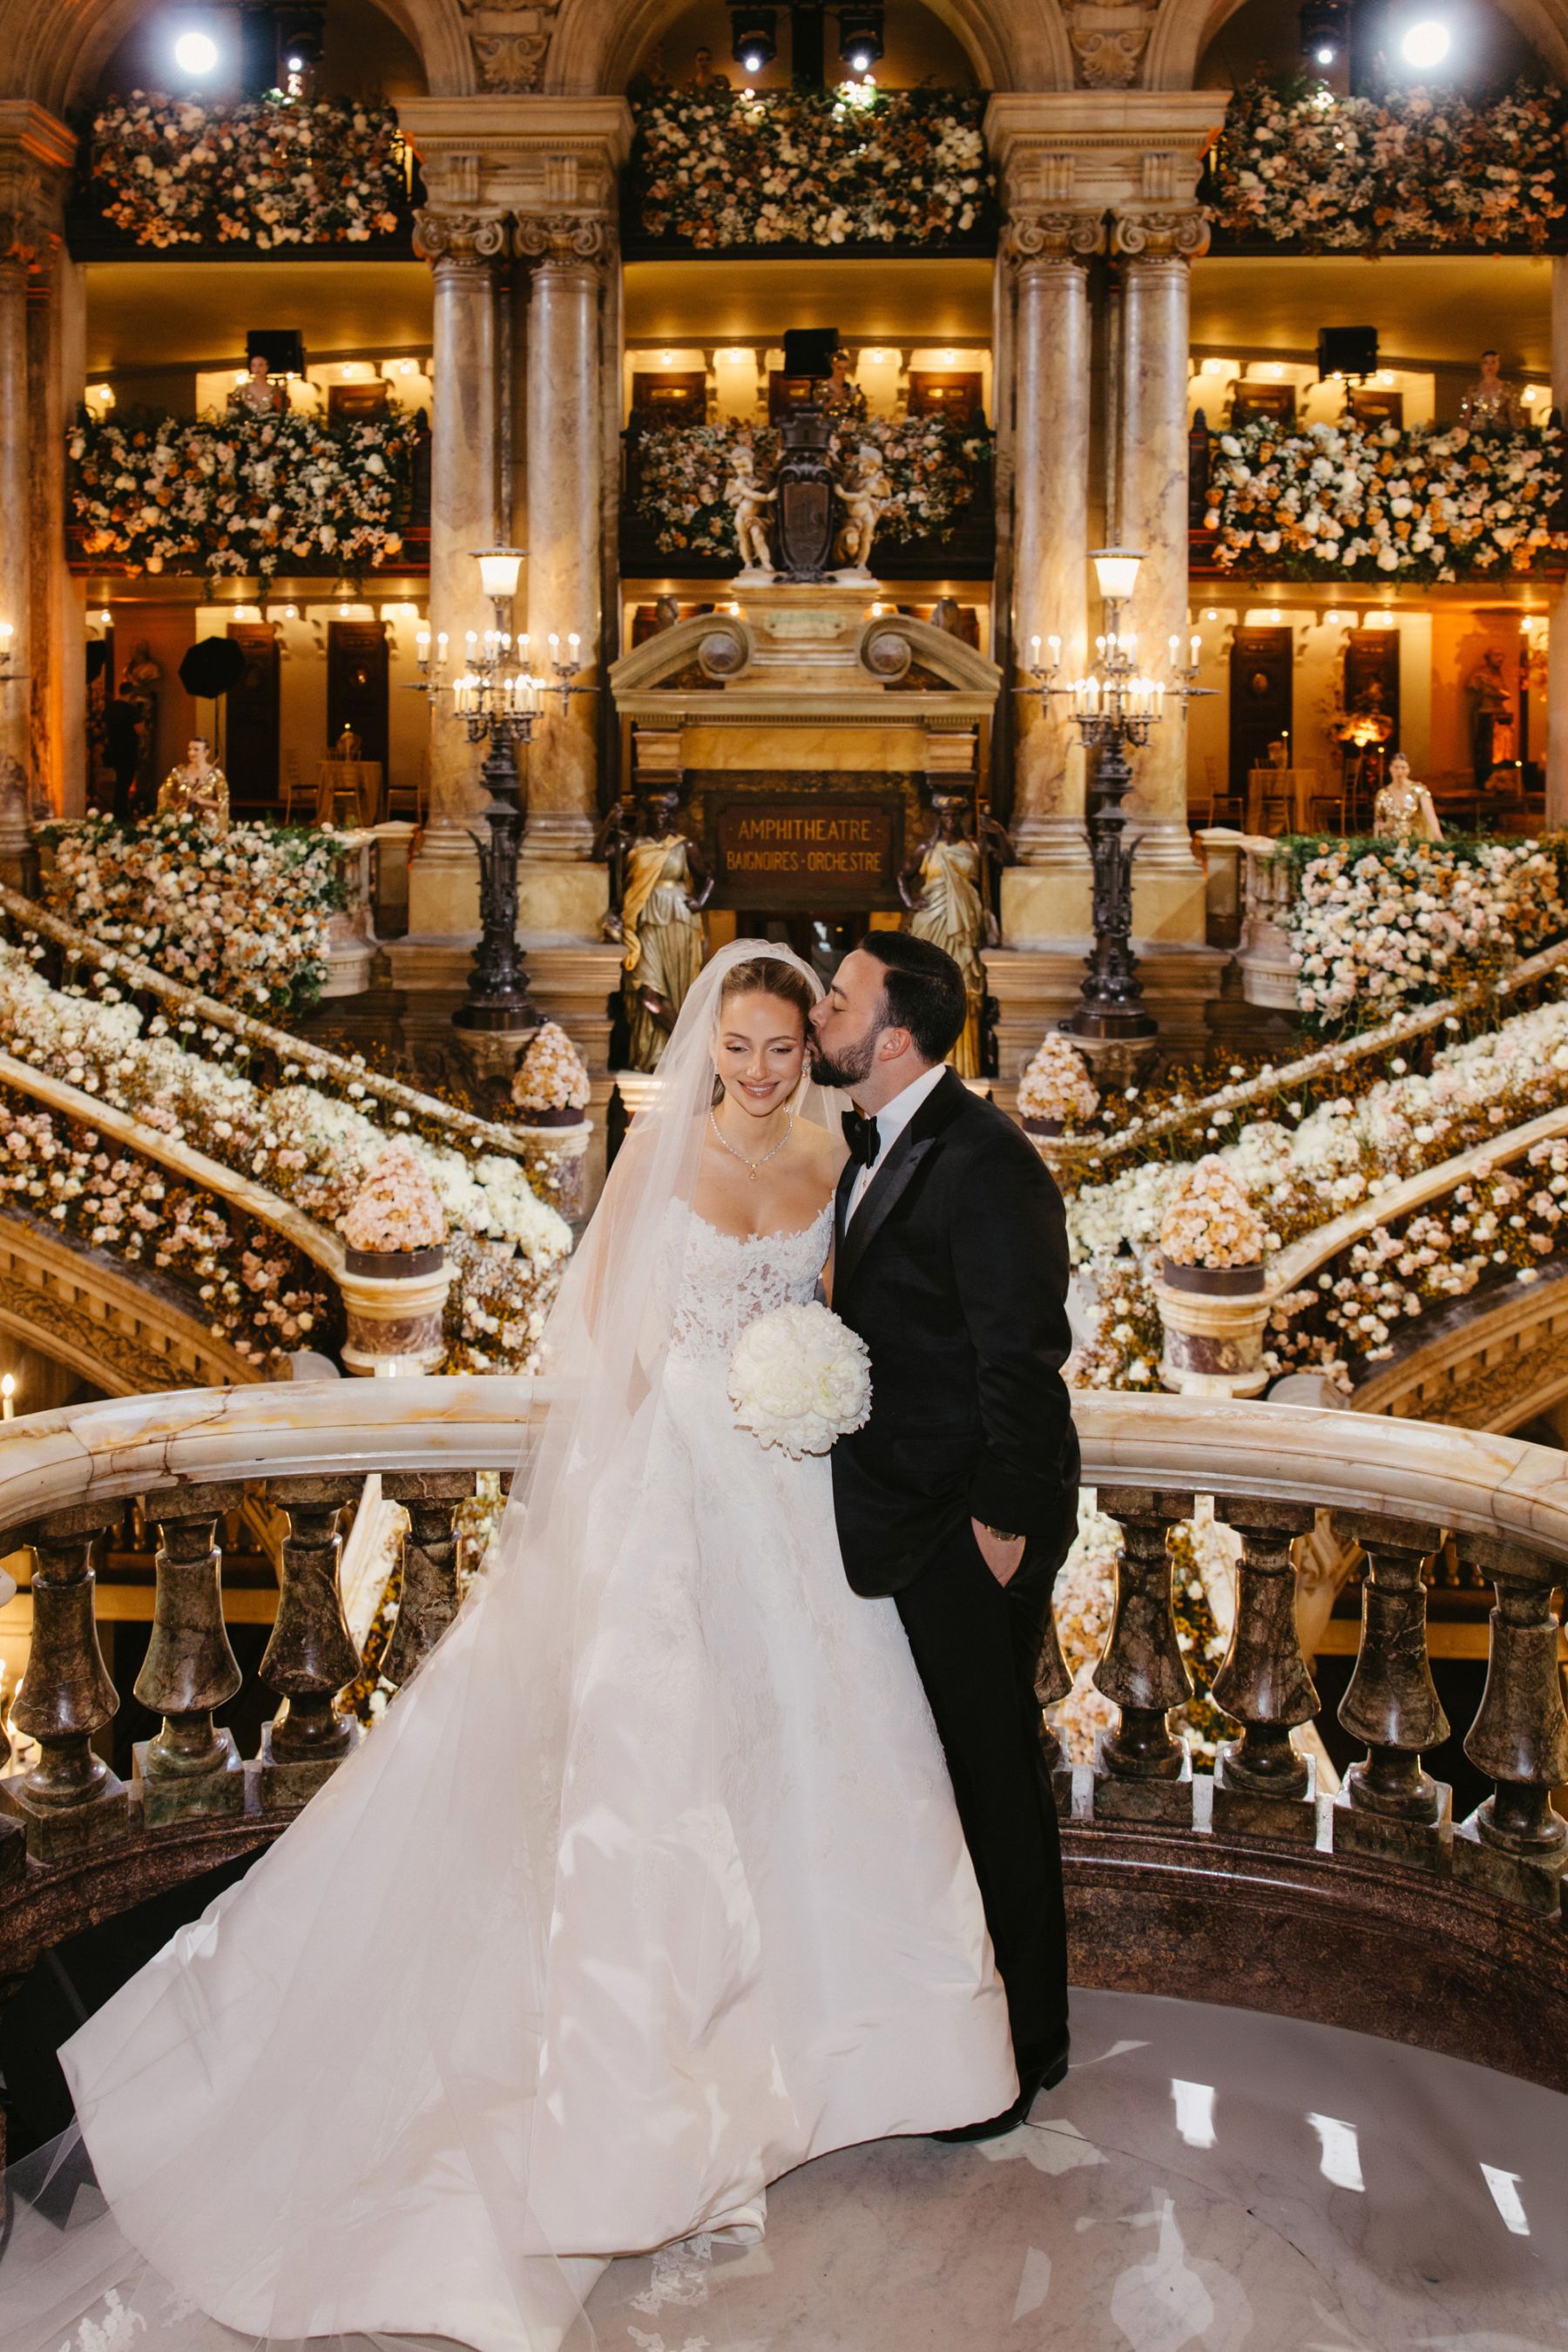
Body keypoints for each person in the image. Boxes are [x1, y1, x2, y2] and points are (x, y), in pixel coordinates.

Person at [0, 939, 1018, 2352]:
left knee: (835, 1762)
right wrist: (689, 1449)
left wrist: (826, 1386)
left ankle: (862, 2063)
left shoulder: (838, 1150)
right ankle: (651, 2107)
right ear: (706, 1046)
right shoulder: (663, 1168)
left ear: (815, 1051)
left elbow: (849, 1305)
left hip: (809, 1492)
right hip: (690, 1496)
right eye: (740, 1050)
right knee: (663, 1800)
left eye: (786, 1049)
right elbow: (600, 1340)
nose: (763, 1071)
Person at [810, 930, 1080, 2139]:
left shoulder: (986, 1159)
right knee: (936, 1781)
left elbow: (1023, 1359)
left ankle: (1029, 2047)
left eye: (839, 1000)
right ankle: (955, 2031)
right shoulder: (866, 1144)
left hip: (970, 1526)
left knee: (991, 1779)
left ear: (896, 1034)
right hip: (899, 1517)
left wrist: (1004, 1529)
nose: (824, 1013)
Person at [155, 736, 230, 829]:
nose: (191, 753)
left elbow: (223, 803)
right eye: (189, 749)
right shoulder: (179, 770)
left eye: (196, 750)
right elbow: (163, 792)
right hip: (181, 821)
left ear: (206, 752)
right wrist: (174, 806)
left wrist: (201, 800)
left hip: (207, 823)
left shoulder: (216, 774)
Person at [102, 685, 144, 821]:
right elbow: (140, 730)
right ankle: (121, 812)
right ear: (131, 694)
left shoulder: (110, 708)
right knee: (125, 782)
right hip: (128, 749)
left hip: (113, 748)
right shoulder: (131, 710)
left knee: (119, 780)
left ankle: (117, 809)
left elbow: (104, 726)